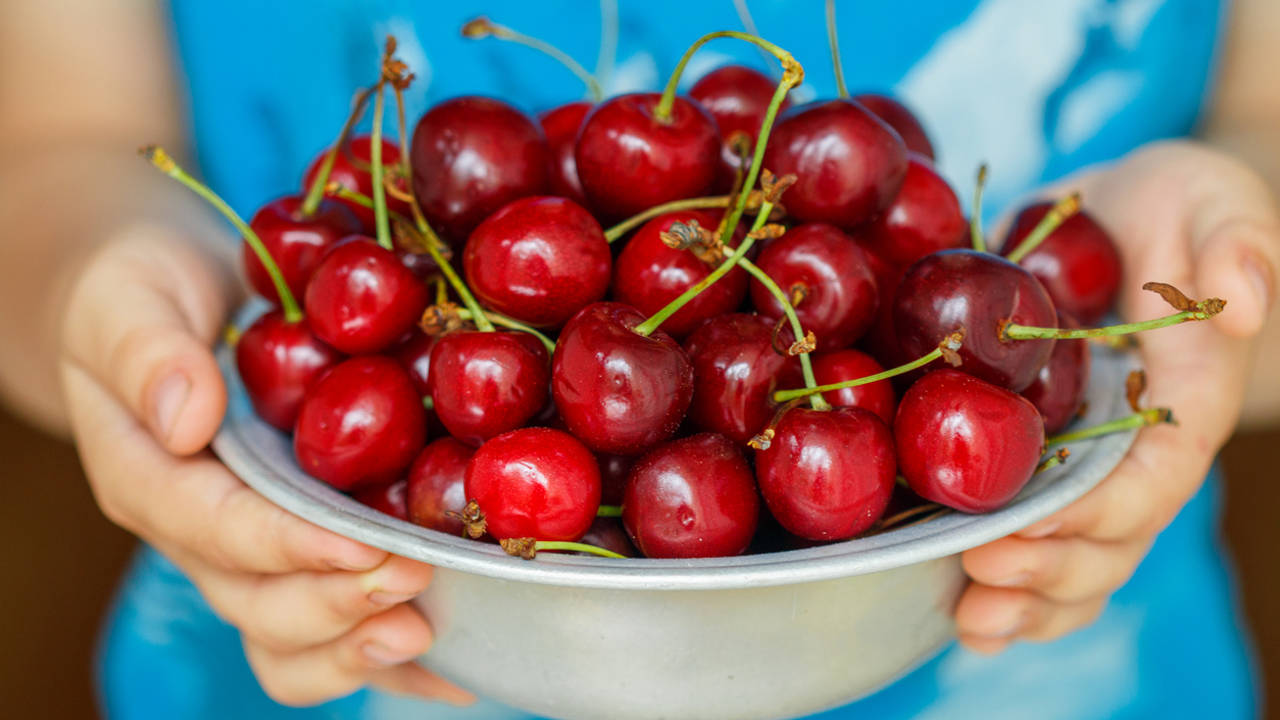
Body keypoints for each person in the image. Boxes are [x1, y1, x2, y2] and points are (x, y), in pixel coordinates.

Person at [1, 0, 1276, 717]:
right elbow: (54, 143)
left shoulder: (843, 318)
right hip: (298, 638)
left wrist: (1232, 263)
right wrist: (92, 288)